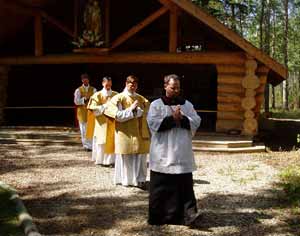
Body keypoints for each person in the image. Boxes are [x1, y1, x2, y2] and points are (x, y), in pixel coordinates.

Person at [147, 74, 201, 225]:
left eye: (178, 87)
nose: (176, 90)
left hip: (181, 151)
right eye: (172, 87)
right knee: (160, 187)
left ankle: (188, 216)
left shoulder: (187, 105)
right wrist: (172, 119)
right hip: (162, 151)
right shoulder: (156, 105)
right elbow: (152, 123)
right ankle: (158, 217)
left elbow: (196, 121)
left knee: (184, 186)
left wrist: (183, 119)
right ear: (165, 86)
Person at [104, 75, 150, 188]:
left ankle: (141, 180)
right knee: (127, 158)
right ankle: (127, 180)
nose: (132, 85)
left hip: (140, 132)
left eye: (135, 83)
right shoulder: (118, 98)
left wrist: (140, 113)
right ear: (126, 83)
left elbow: (148, 114)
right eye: (130, 83)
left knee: (141, 157)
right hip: (125, 132)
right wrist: (132, 111)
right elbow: (117, 116)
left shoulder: (141, 99)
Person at [87, 76, 118, 166]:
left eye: (109, 83)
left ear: (111, 83)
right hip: (101, 121)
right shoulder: (97, 95)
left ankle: (111, 161)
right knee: (101, 141)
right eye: (106, 83)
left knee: (112, 140)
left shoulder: (116, 94)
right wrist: (103, 107)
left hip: (112, 121)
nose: (108, 85)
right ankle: (101, 160)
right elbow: (93, 108)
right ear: (102, 83)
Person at [74, 73, 96, 151]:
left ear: (88, 80)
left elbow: (95, 99)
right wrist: (84, 100)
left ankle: (92, 145)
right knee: (83, 130)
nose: (85, 80)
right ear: (82, 80)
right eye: (84, 79)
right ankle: (86, 146)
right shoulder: (78, 90)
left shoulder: (93, 89)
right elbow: (76, 101)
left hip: (90, 112)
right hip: (82, 112)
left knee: (91, 129)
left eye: (86, 78)